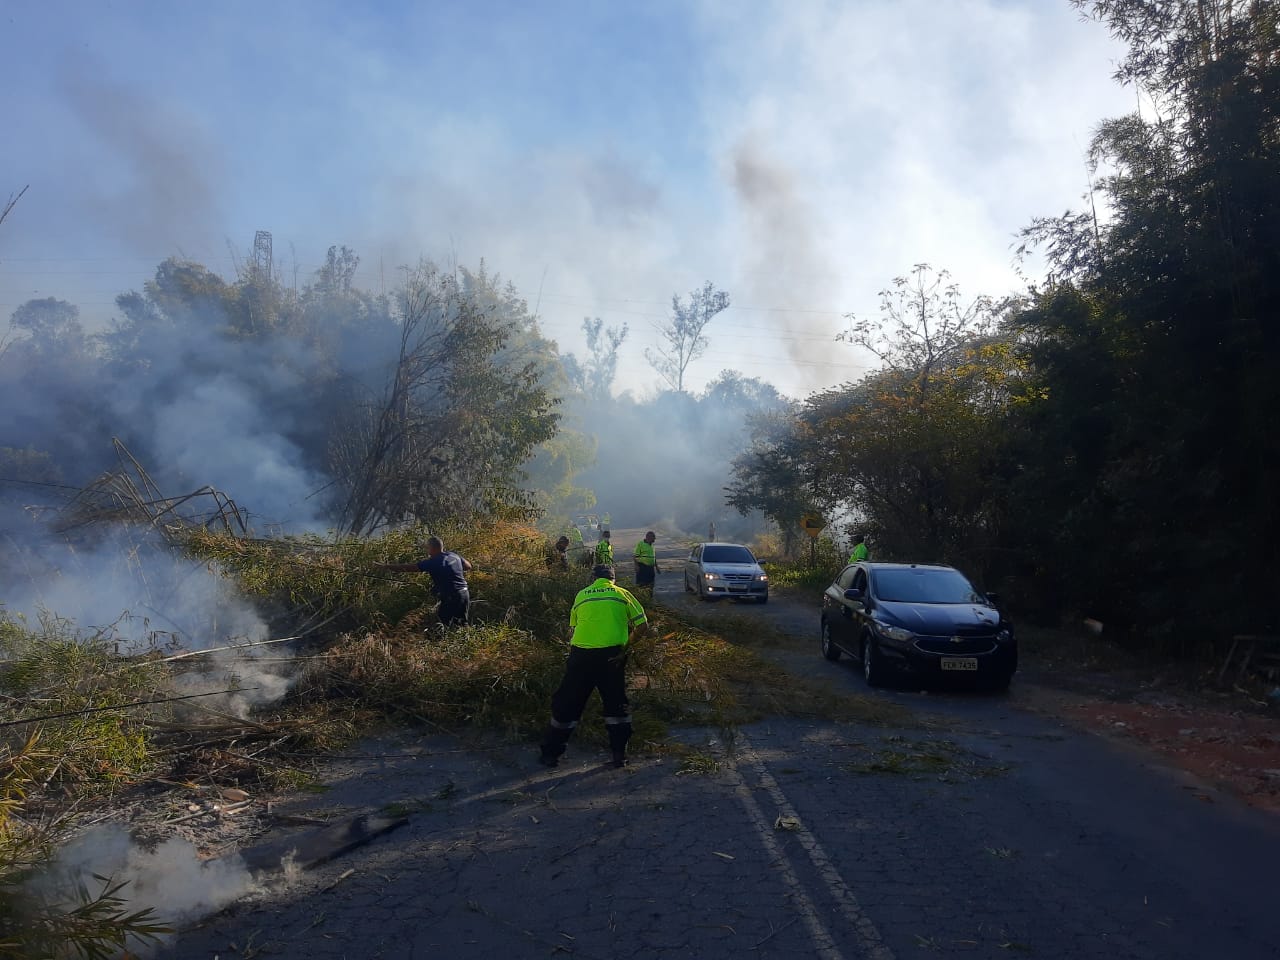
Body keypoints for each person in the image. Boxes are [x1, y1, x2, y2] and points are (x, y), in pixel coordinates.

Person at [539, 564, 650, 768]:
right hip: (612, 656)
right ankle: (619, 755)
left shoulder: (582, 595)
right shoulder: (621, 594)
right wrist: (626, 647)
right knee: (616, 704)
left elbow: (572, 630)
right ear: (613, 580)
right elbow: (643, 625)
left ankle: (551, 754)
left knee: (567, 703)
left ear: (594, 579)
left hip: (580, 656)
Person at [376, 536, 473, 626]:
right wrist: (452, 569)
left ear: (433, 548)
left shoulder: (432, 562)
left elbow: (408, 568)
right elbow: (468, 566)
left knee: (442, 624)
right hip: (465, 593)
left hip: (451, 597)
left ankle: (439, 643)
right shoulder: (453, 555)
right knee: (461, 624)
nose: (427, 551)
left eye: (428, 548)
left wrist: (386, 567)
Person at [634, 530, 659, 595]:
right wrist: (636, 566)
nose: (654, 539)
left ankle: (649, 597)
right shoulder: (640, 544)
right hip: (643, 567)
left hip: (650, 568)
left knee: (651, 584)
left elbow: (653, 557)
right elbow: (635, 556)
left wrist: (657, 567)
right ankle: (641, 597)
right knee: (641, 584)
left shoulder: (652, 546)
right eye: (653, 537)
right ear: (649, 537)